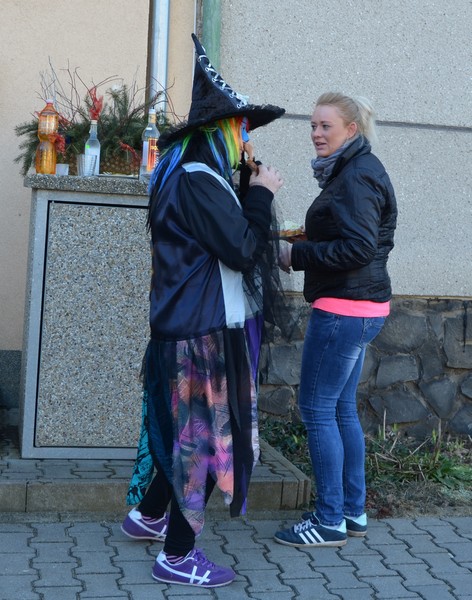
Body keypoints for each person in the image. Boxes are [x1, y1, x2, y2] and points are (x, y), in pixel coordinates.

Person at [121, 34, 285, 587]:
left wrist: (244, 187)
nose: (246, 140)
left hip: (187, 325)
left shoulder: (184, 172)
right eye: (242, 129)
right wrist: (261, 193)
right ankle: (177, 555)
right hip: (202, 333)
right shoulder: (197, 177)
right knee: (208, 444)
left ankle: (148, 516)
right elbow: (241, 247)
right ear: (223, 130)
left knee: (186, 434)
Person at [274, 92, 397, 547]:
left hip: (344, 309)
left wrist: (296, 255)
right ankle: (351, 511)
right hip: (362, 307)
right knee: (341, 407)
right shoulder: (355, 169)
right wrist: (309, 239)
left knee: (317, 409)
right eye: (313, 125)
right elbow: (358, 237)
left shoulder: (356, 175)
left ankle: (328, 521)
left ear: (351, 130)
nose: (316, 133)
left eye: (326, 126)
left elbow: (359, 247)